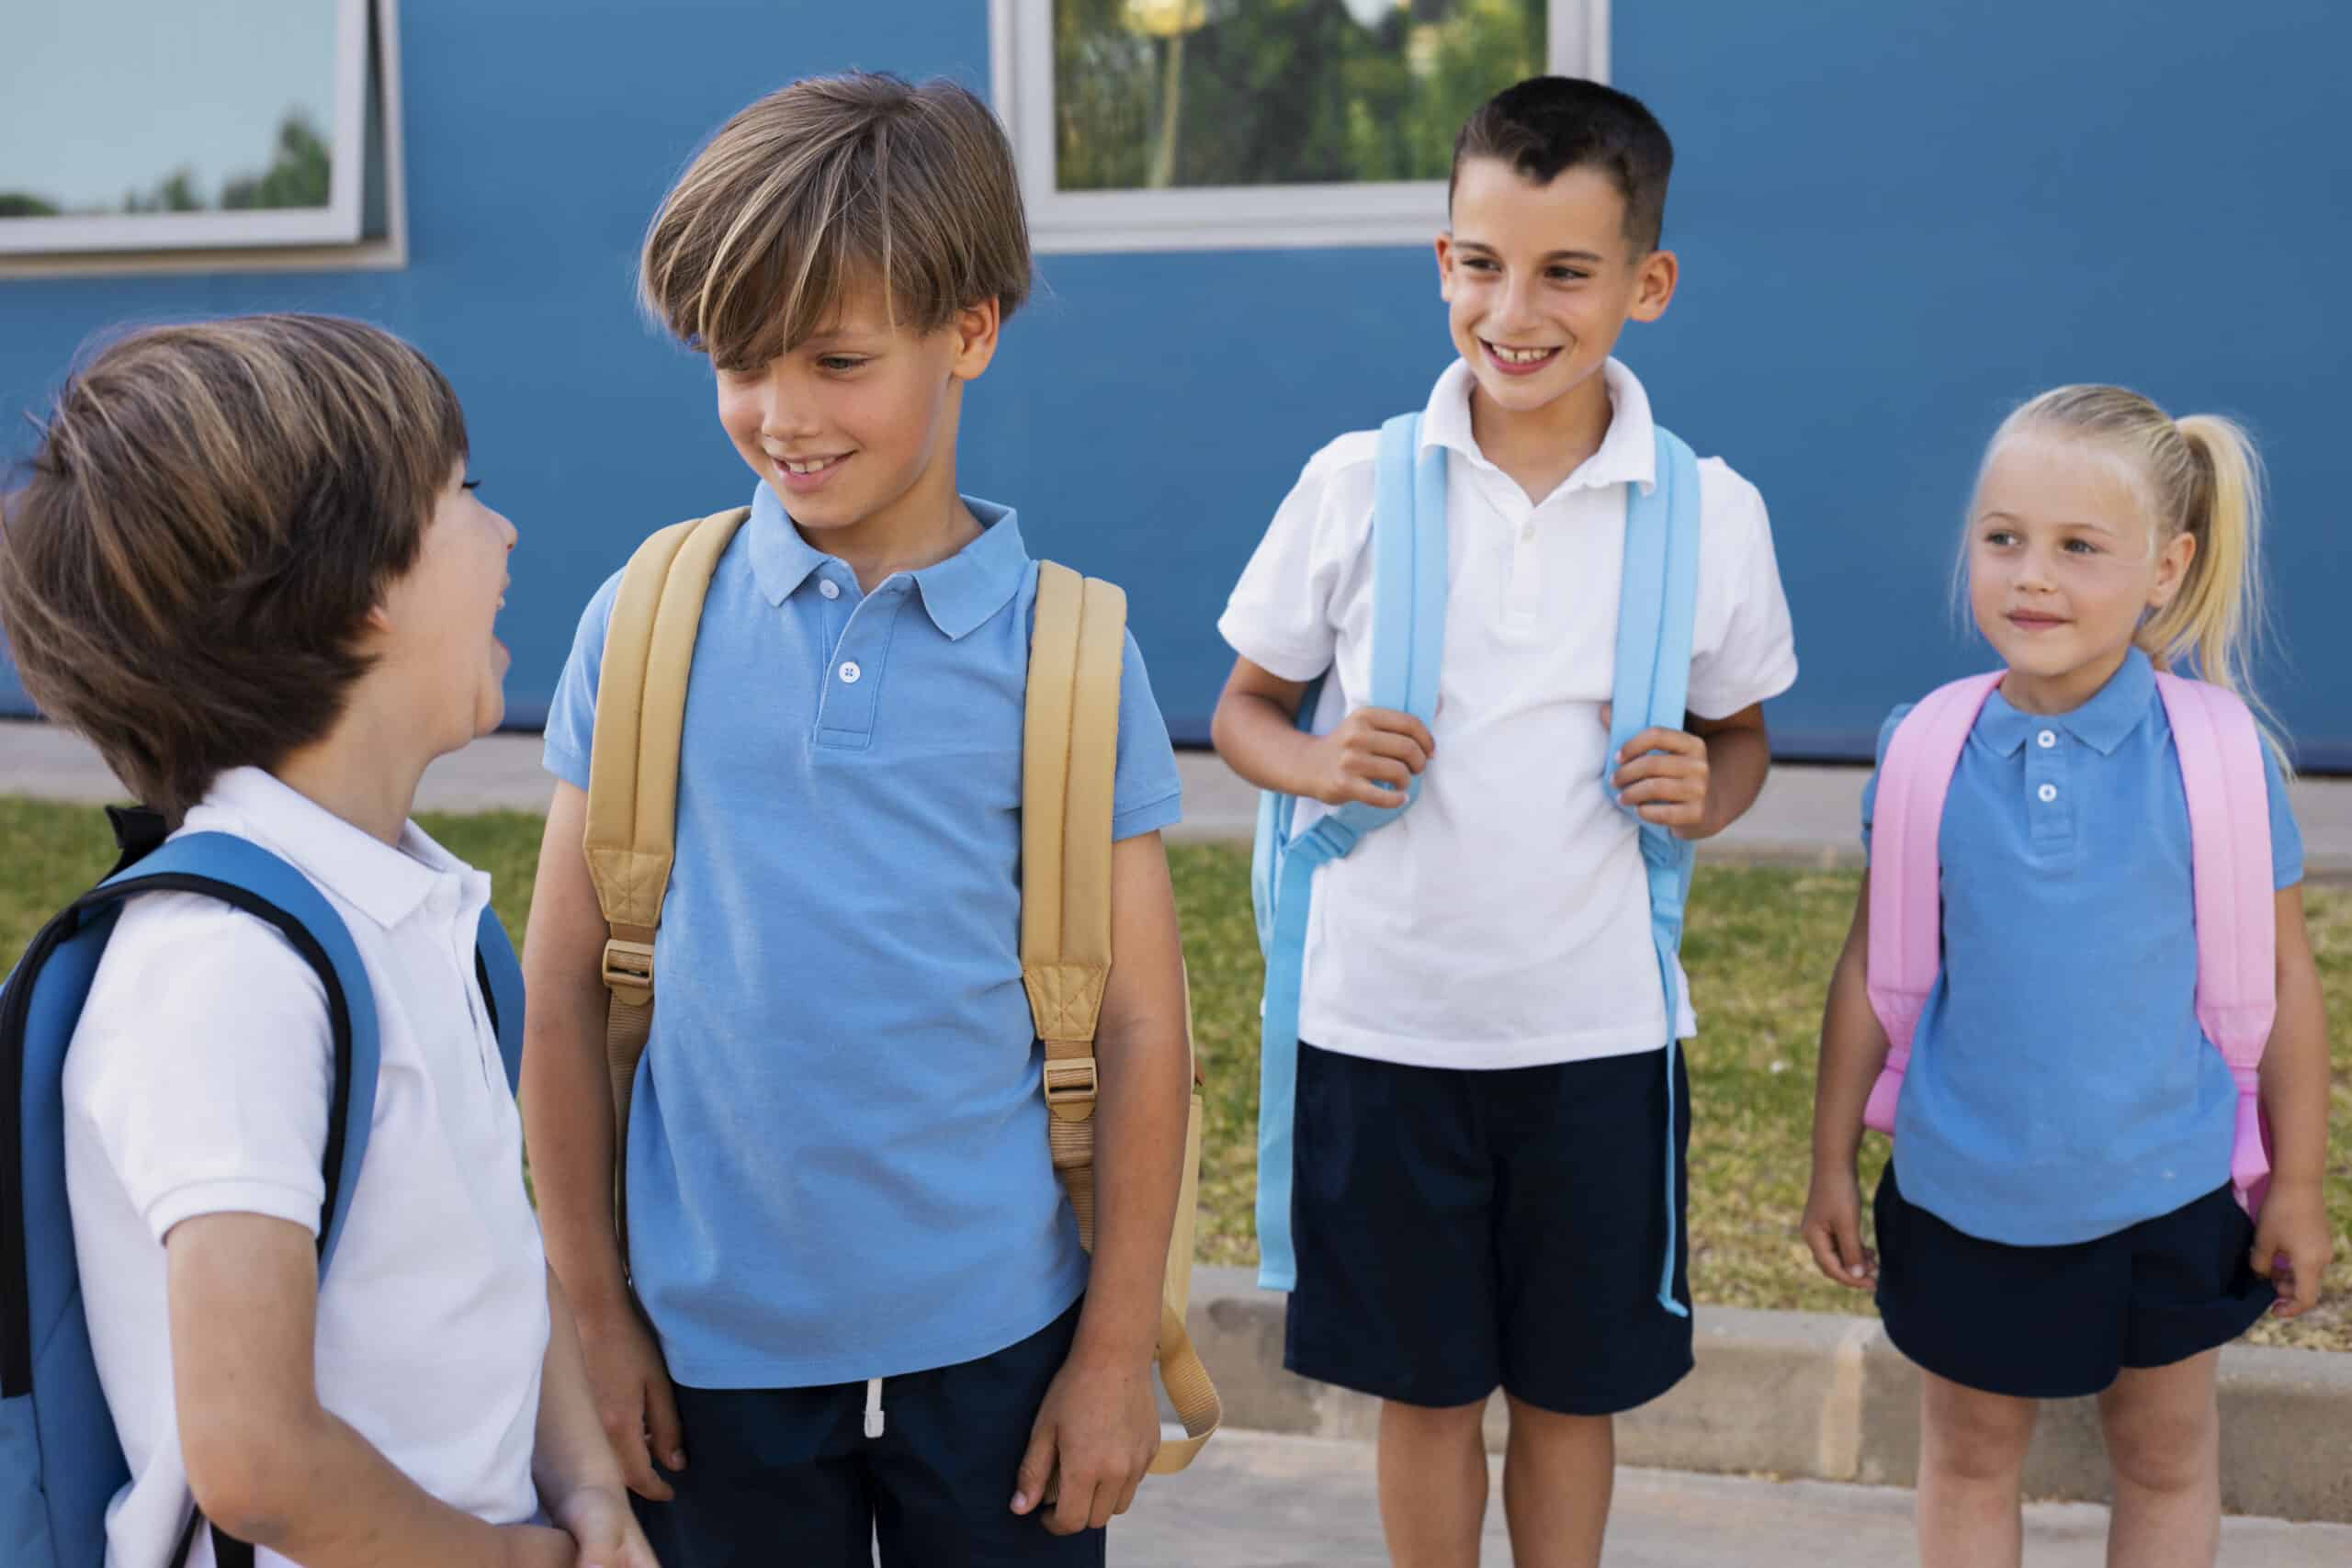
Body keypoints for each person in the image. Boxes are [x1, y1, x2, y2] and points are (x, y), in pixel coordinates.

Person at [518, 73, 1194, 1564]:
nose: (782, 415)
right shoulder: (644, 625)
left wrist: (1111, 1352)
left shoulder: (1073, 659)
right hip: (706, 1362)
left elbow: (1145, 1028)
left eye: (837, 358)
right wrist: (591, 1308)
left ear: (970, 332)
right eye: (740, 362)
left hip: (1004, 1356)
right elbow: (561, 991)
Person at [1211, 76, 1798, 1568]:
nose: (1513, 308)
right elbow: (1241, 713)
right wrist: (1317, 762)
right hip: (1384, 1032)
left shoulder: (1710, 510)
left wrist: (1709, 791)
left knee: (1571, 1396)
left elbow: (1740, 737)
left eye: (1565, 272)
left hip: (1601, 1041)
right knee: (1423, 1398)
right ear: (1441, 260)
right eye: (1482, 263)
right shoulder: (1354, 486)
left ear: (1647, 287)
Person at [0, 313, 653, 1568]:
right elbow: (259, 1460)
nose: (504, 532)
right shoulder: (226, 971)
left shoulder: (409, 910)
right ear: (359, 600)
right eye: (464, 496)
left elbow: (496, 1257)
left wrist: (584, 1494)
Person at [1802, 384, 2333, 1568]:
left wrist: (2297, 1181)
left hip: (2173, 1193)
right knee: (1972, 1458)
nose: (2031, 575)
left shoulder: (2221, 757)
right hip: (1961, 1195)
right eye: (2004, 539)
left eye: (2078, 547)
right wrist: (1832, 1157)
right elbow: (1868, 970)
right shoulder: (1925, 744)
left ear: (2165, 568)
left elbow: (2289, 987)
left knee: (2164, 1457)